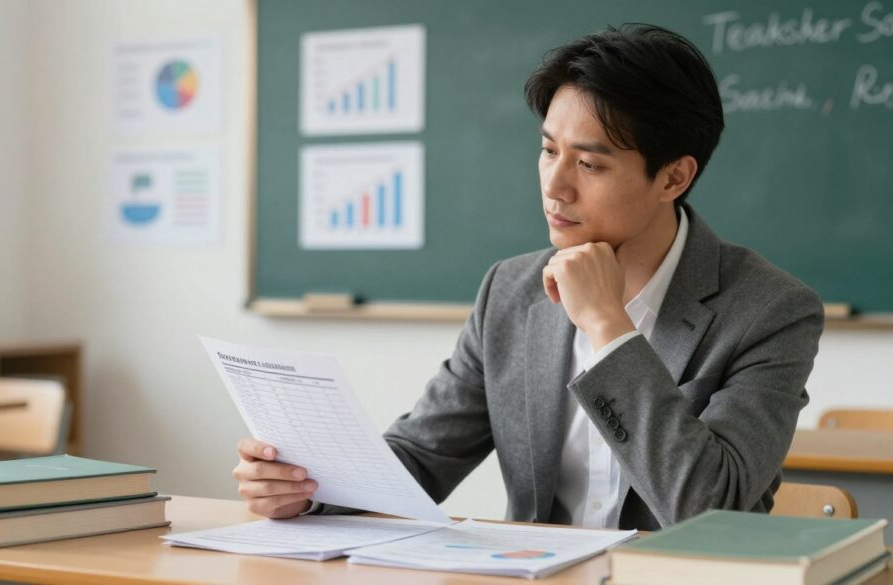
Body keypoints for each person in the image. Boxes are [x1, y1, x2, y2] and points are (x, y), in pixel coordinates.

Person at [232, 24, 823, 530]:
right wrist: (309, 489)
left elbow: (708, 509)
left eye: (589, 164)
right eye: (548, 151)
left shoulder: (770, 311)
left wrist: (607, 327)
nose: (555, 185)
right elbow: (420, 458)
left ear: (672, 178)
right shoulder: (510, 291)